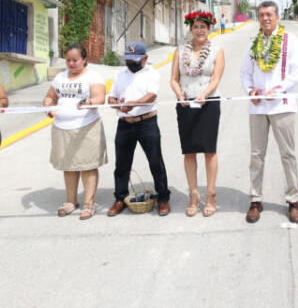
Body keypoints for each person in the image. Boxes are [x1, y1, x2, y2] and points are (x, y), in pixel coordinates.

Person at [240, 0, 298, 224]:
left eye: (269, 14)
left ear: (277, 17)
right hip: (257, 107)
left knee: (288, 154)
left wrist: (278, 89)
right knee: (256, 156)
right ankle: (255, 200)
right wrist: (251, 91)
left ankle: (293, 200)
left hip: (282, 105)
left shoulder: (290, 41)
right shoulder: (253, 44)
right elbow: (245, 74)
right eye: (261, 15)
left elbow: (297, 72)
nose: (265, 18)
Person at [42, 44, 107, 220]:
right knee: (68, 166)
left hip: (86, 126)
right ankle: (71, 201)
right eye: (68, 60)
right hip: (62, 128)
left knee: (87, 165)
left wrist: (90, 101)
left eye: (75, 60)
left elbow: (100, 97)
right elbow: (50, 97)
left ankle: (89, 203)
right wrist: (48, 104)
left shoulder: (93, 76)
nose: (71, 63)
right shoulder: (60, 78)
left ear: (84, 60)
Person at [107, 41, 171, 216]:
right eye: (128, 60)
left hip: (147, 122)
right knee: (122, 164)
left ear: (145, 58)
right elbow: (110, 98)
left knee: (155, 161)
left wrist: (132, 104)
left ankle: (163, 197)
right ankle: (120, 198)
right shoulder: (119, 74)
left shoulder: (152, 73)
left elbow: (151, 96)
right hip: (125, 124)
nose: (131, 63)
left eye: (135, 60)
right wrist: (119, 106)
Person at [171, 11, 225, 217]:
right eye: (196, 27)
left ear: (209, 29)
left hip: (208, 102)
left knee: (209, 150)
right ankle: (194, 194)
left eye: (203, 26)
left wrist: (203, 95)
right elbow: (174, 79)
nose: (200, 30)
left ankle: (211, 194)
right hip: (185, 104)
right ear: (190, 29)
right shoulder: (180, 50)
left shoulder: (217, 50)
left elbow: (216, 78)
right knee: (189, 150)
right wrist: (180, 96)